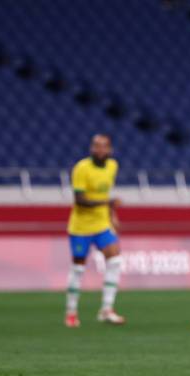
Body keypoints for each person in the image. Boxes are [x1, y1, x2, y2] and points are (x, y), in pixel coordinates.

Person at [65, 134, 125, 328]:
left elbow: (105, 194)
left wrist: (112, 216)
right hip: (80, 227)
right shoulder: (81, 168)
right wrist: (107, 203)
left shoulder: (112, 166)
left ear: (110, 149)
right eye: (96, 146)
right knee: (78, 268)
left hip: (101, 225)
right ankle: (71, 312)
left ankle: (106, 309)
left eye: (104, 146)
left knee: (115, 260)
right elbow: (79, 200)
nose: (100, 150)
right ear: (91, 148)